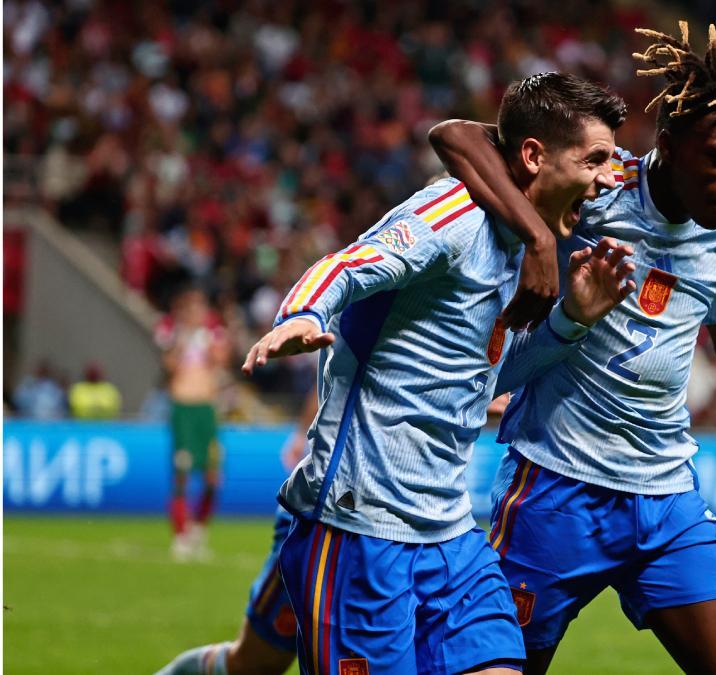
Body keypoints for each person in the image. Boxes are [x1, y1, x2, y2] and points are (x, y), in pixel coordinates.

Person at [430, 20, 716, 675]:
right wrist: (541, 240)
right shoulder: (599, 185)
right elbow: (460, 137)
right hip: (554, 489)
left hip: (666, 500)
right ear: (670, 143)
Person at [242, 73, 635, 675]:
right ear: (533, 156)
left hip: (450, 534)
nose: (609, 177)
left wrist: (573, 320)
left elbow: (495, 372)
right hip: (358, 528)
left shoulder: (528, 251)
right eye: (595, 159)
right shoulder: (455, 216)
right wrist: (302, 313)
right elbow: (347, 265)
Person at [154, 388, 318, 675]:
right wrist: (299, 433)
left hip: (413, 523)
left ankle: (195, 532)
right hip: (330, 517)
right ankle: (184, 534)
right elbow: (331, 363)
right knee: (255, 664)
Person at [157, 287, 231, 561]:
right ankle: (180, 534)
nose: (197, 313)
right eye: (192, 308)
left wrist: (206, 338)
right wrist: (184, 336)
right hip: (184, 409)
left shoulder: (212, 335)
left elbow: (221, 360)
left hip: (206, 410)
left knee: (213, 475)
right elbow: (169, 366)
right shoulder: (173, 334)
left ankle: (199, 527)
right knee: (182, 471)